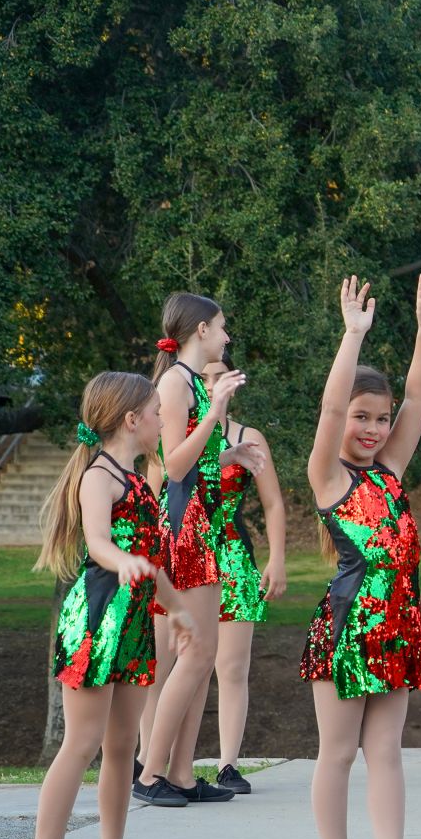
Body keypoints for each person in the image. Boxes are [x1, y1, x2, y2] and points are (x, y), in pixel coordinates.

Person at [24, 372, 197, 839]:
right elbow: (99, 542)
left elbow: (153, 561)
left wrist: (180, 610)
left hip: (135, 625)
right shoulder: (99, 476)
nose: (163, 421)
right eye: (156, 413)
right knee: (81, 742)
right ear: (131, 420)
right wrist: (122, 561)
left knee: (123, 744)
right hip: (97, 619)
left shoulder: (141, 479)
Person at [299, 273, 421, 839]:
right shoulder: (329, 476)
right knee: (338, 752)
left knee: (387, 751)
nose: (375, 429)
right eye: (363, 417)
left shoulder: (390, 471)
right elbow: (331, 411)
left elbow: (418, 394)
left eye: (381, 420)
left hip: (397, 627)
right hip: (347, 625)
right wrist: (352, 337)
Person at [135, 294, 262, 807]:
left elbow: (197, 459)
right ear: (203, 329)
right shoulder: (174, 383)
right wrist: (215, 411)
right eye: (223, 328)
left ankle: (184, 774)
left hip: (203, 525)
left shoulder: (187, 381)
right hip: (184, 529)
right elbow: (174, 467)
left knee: (200, 655)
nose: (227, 338)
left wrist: (229, 452)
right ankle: (150, 774)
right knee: (197, 653)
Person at [202, 355, 287, 795]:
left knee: (231, 666)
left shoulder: (248, 437)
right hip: (184, 557)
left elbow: (272, 502)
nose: (213, 384)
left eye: (221, 377)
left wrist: (277, 557)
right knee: (172, 665)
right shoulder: (172, 433)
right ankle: (153, 763)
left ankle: (229, 764)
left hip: (232, 556)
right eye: (205, 377)